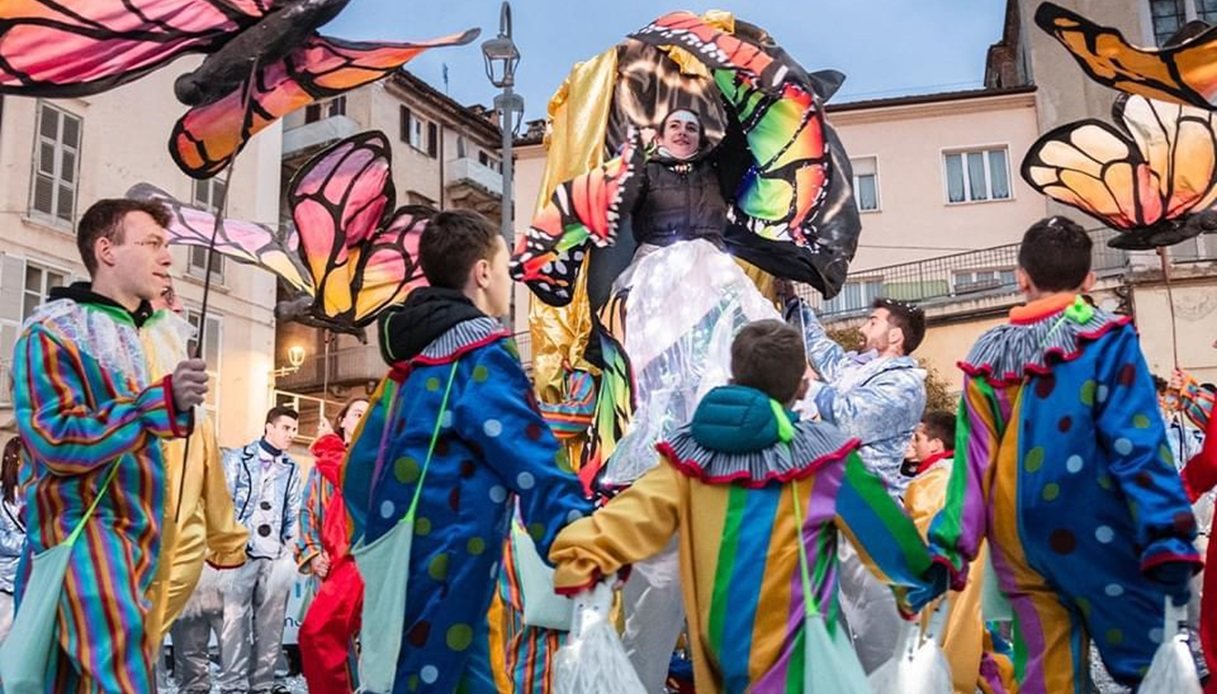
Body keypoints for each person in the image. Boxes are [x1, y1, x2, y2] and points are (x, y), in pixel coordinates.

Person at [548, 319, 946, 692]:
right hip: (800, 668)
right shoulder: (825, 461)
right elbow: (888, 538)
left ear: (734, 374)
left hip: (720, 663)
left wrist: (581, 559)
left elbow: (623, 522)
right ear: (801, 387)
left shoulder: (688, 458)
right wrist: (927, 579)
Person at [929, 216, 1201, 692]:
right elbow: (1136, 444)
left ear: (1021, 277)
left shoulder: (986, 353)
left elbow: (972, 465)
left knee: (1046, 674)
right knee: (1150, 662)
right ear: (1090, 279)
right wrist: (1165, 533)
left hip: (1015, 541)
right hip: (1094, 528)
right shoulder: (1108, 339)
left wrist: (951, 546)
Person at [343, 209, 594, 692]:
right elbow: (529, 454)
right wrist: (576, 533)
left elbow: (361, 465)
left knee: (442, 670)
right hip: (455, 558)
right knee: (444, 675)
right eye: (504, 268)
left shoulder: (416, 359)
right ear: (482, 273)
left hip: (411, 556)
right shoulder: (480, 354)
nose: (508, 280)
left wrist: (380, 534)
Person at [11, 198, 206, 691]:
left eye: (167, 246)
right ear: (107, 250)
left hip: (143, 541)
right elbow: (55, 438)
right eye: (152, 243)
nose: (167, 257)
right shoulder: (54, 332)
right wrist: (156, 405)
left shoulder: (150, 335)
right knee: (123, 674)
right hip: (84, 535)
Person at [780, 288, 928, 671]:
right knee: (834, 628)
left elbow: (851, 418)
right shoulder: (855, 367)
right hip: (827, 513)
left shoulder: (906, 384)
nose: (862, 328)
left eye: (873, 321)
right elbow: (821, 349)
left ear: (896, 336)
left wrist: (808, 389)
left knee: (875, 633)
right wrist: (793, 302)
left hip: (869, 516)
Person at [144, 280, 248, 644]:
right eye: (169, 295)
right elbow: (210, 472)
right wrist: (227, 540)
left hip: (163, 544)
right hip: (159, 545)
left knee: (134, 651)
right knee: (136, 650)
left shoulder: (166, 366)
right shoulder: (151, 351)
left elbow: (207, 465)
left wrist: (226, 539)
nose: (181, 307)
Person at [903, 411, 1013, 694]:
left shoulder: (932, 481)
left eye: (917, 438)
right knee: (982, 648)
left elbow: (916, 536)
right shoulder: (961, 474)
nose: (910, 444)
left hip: (948, 579)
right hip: (978, 580)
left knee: (948, 654)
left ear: (936, 445)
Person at [218, 406, 304, 694]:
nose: (291, 434)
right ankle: (233, 685)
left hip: (275, 554)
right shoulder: (237, 458)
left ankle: (263, 685)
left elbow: (293, 512)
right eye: (286, 428)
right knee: (234, 621)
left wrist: (289, 549)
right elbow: (223, 503)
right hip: (240, 553)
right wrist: (228, 543)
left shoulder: (292, 467)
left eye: (294, 429)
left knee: (271, 625)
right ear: (269, 427)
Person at [297, 397, 369, 693]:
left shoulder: (372, 460)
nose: (361, 419)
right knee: (324, 638)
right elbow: (307, 511)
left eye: (367, 415)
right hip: (329, 567)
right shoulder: (319, 469)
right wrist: (313, 554)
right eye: (356, 413)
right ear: (342, 420)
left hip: (365, 564)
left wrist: (327, 443)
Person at [0, 436, 26, 644]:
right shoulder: (1, 498)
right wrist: (30, 542)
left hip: (31, 577)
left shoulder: (37, 494)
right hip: (5, 581)